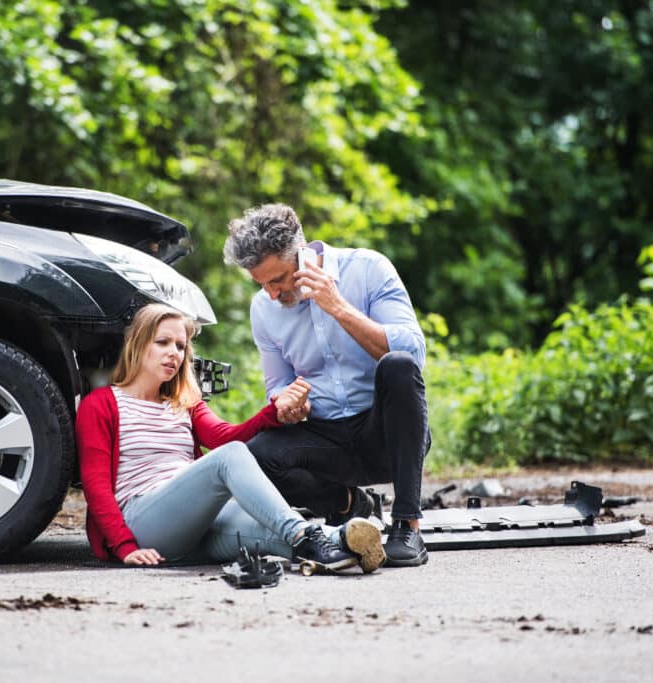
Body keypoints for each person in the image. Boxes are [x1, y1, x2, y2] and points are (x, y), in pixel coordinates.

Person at [76, 303, 385, 573]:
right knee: (231, 458)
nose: (174, 353)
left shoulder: (185, 403)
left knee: (267, 527)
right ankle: (308, 537)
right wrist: (125, 546)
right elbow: (96, 486)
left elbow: (225, 437)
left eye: (181, 346)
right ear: (138, 344)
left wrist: (272, 414)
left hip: (192, 525)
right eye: (163, 342)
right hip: (144, 523)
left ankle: (344, 543)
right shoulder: (102, 404)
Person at [223, 203, 431, 567]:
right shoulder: (264, 308)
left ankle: (407, 524)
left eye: (278, 280)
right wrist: (287, 404)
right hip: (325, 439)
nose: (272, 294)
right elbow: (277, 384)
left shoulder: (368, 268)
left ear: (304, 258)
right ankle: (347, 503)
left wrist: (337, 306)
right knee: (254, 456)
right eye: (262, 284)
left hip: (384, 433)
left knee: (397, 365)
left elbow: (412, 353)